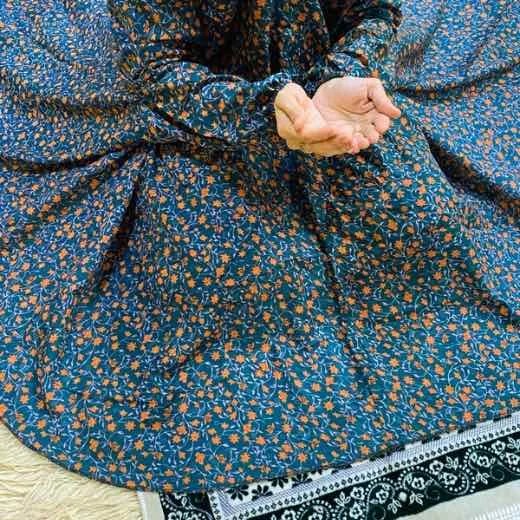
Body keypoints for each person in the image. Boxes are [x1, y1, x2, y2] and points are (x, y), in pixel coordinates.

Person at [0, 0, 517, 496]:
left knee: (422, 223)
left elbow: (375, 10)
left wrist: (339, 76)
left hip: (336, 96)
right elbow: (158, 68)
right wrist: (264, 108)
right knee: (246, 274)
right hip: (202, 116)